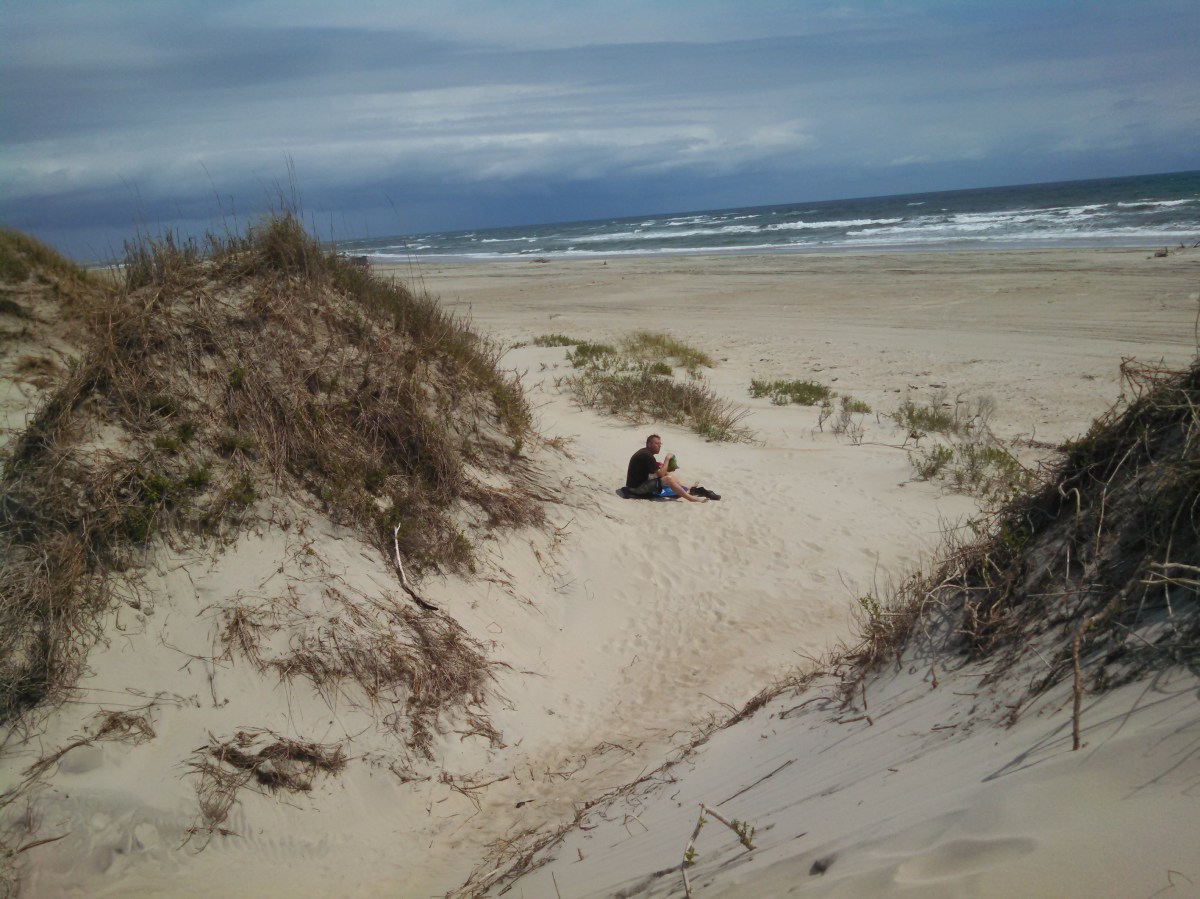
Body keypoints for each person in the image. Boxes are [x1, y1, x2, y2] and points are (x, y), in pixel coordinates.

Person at [625, 434, 708, 502]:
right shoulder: (647, 455)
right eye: (657, 444)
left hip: (639, 483)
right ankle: (691, 498)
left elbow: (656, 470)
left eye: (660, 444)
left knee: (666, 473)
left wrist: (664, 467)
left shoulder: (645, 452)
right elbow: (660, 474)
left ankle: (685, 487)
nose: (659, 446)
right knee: (668, 479)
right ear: (649, 444)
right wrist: (667, 459)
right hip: (636, 489)